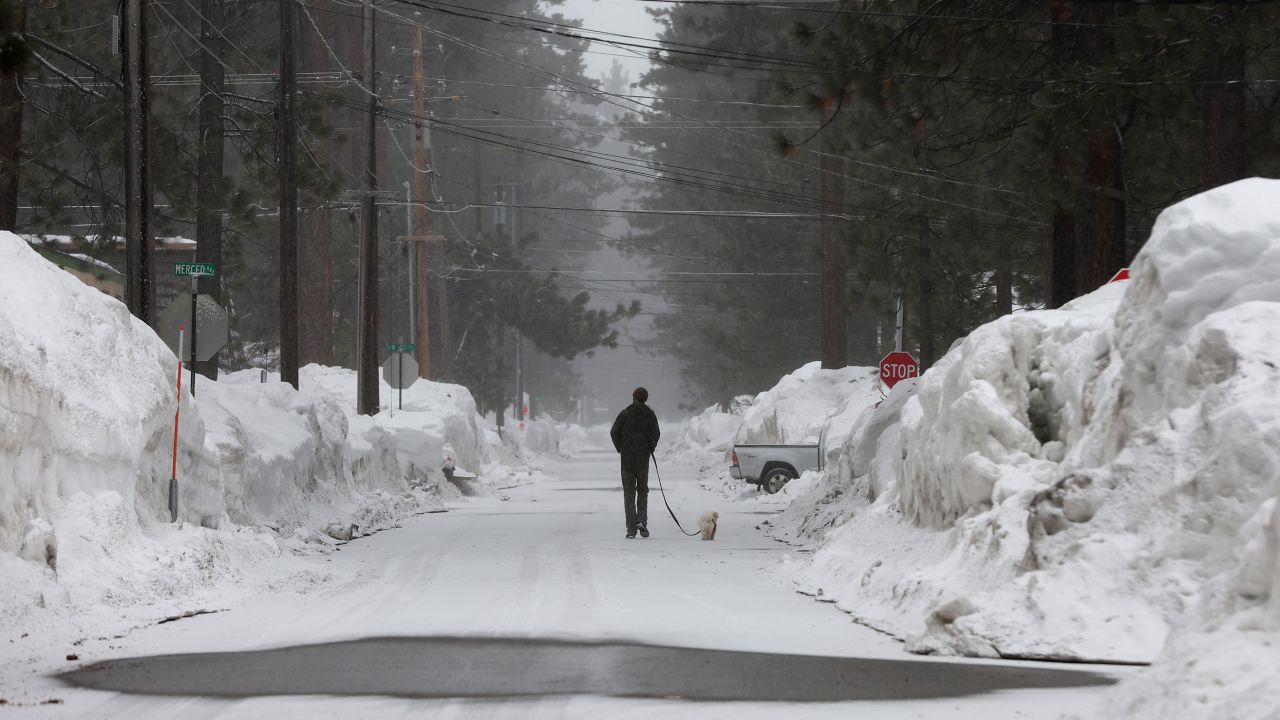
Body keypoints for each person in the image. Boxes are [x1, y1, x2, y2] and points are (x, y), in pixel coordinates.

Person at [610, 387, 661, 539]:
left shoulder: (625, 413)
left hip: (627, 459)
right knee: (643, 490)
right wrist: (649, 448)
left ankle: (631, 529)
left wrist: (621, 448)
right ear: (645, 399)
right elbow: (656, 434)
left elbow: (614, 432)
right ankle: (642, 522)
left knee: (629, 492)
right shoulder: (649, 414)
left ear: (633, 397)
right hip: (643, 459)